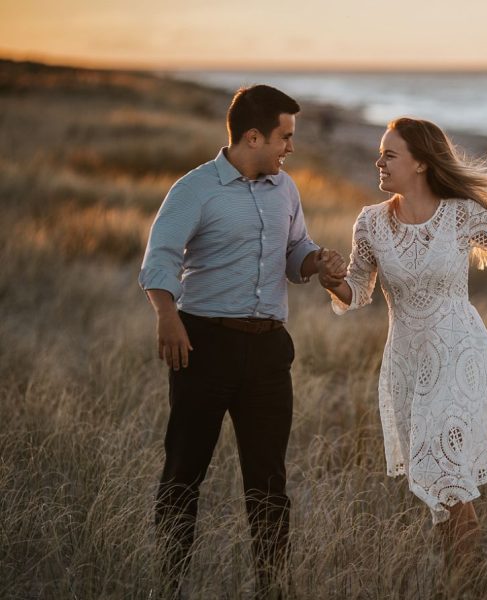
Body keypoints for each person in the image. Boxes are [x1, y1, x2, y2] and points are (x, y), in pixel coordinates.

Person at [319, 117, 487, 566]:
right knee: (440, 493)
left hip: (459, 359)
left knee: (446, 477)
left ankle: (463, 581)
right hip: (408, 365)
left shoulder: (461, 214)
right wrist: (332, 281)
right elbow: (358, 293)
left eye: (390, 154)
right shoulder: (369, 223)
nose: (379, 161)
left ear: (422, 163)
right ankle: (455, 577)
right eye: (380, 153)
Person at [138, 84, 346, 598]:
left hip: (269, 353)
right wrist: (166, 314)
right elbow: (161, 255)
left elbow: (296, 250)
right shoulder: (195, 188)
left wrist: (317, 262)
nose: (289, 148)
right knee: (184, 474)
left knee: (270, 484)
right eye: (284, 137)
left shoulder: (286, 190)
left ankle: (272, 588)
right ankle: (170, 584)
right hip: (202, 347)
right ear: (253, 136)